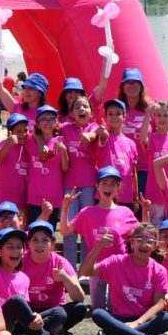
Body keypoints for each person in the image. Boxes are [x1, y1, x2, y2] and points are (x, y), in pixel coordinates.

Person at [82, 224, 168, 335]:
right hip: (119, 318)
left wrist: (137, 323)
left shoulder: (159, 270)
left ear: (155, 246)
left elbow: (159, 304)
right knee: (98, 313)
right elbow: (86, 272)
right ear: (131, 243)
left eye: (149, 241)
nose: (144, 245)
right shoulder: (116, 261)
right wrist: (99, 247)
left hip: (144, 319)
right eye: (139, 240)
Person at [60, 166, 141, 311]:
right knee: (98, 309)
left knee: (116, 307)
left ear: (118, 188)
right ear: (97, 186)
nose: (108, 187)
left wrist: (145, 212)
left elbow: (141, 233)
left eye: (112, 184)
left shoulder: (125, 212)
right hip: (95, 267)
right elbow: (65, 231)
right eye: (104, 183)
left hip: (119, 267)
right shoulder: (87, 213)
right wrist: (65, 208)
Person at [21, 220, 88, 335]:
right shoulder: (21, 262)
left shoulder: (61, 262)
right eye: (35, 240)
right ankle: (51, 331)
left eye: (45, 240)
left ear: (52, 244)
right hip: (29, 311)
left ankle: (33, 333)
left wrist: (65, 278)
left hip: (54, 312)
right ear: (28, 244)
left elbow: (80, 298)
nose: (39, 245)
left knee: (79, 308)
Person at [94, 67, 154, 195]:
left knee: (138, 207)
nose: (131, 85)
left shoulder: (150, 110)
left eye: (135, 82)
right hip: (120, 168)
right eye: (128, 82)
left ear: (141, 86)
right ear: (122, 86)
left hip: (144, 168)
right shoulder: (116, 109)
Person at [59, 97, 101, 269]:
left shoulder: (95, 127)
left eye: (85, 106)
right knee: (68, 231)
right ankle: (69, 270)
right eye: (77, 106)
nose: (81, 109)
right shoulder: (65, 129)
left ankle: (85, 268)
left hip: (90, 185)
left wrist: (90, 136)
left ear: (91, 113)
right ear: (71, 113)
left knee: (86, 230)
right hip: (70, 185)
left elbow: (99, 133)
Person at [25, 105, 68, 222]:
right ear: (38, 124)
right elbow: (31, 133)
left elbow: (65, 168)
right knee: (33, 232)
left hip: (54, 197)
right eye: (43, 119)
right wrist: (41, 144)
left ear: (56, 123)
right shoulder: (30, 140)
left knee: (49, 233)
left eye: (51, 119)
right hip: (34, 197)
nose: (47, 122)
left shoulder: (61, 140)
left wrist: (63, 151)